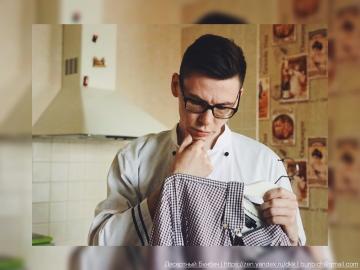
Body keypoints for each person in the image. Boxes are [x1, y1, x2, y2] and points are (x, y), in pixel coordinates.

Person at [88, 34, 306, 246]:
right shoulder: (134, 157)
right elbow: (100, 244)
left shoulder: (265, 162)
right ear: (176, 86)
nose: (206, 121)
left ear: (238, 96)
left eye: (223, 107)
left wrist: (293, 234)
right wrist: (174, 185)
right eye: (195, 103)